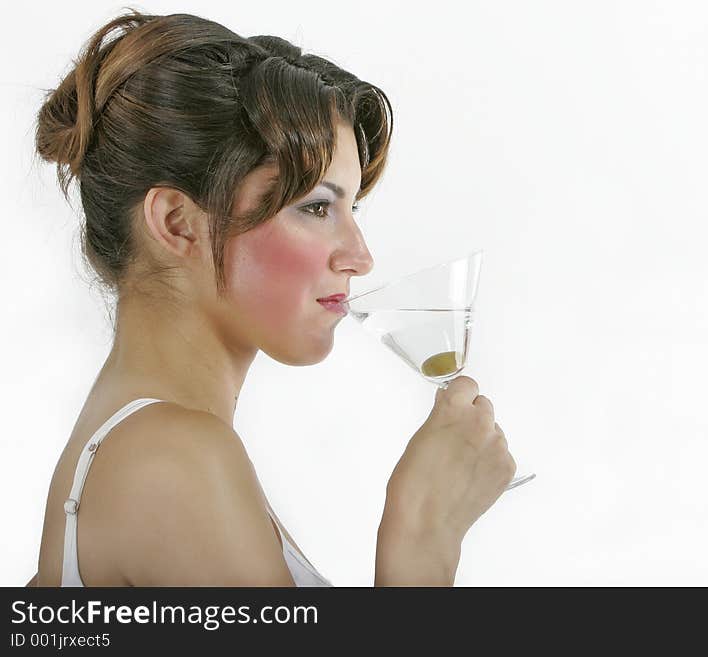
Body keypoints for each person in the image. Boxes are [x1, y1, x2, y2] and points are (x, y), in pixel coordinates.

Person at [25, 10, 516, 587]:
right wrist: (423, 536)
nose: (359, 256)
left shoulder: (144, 448)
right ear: (178, 223)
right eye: (315, 207)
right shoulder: (173, 461)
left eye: (350, 208)